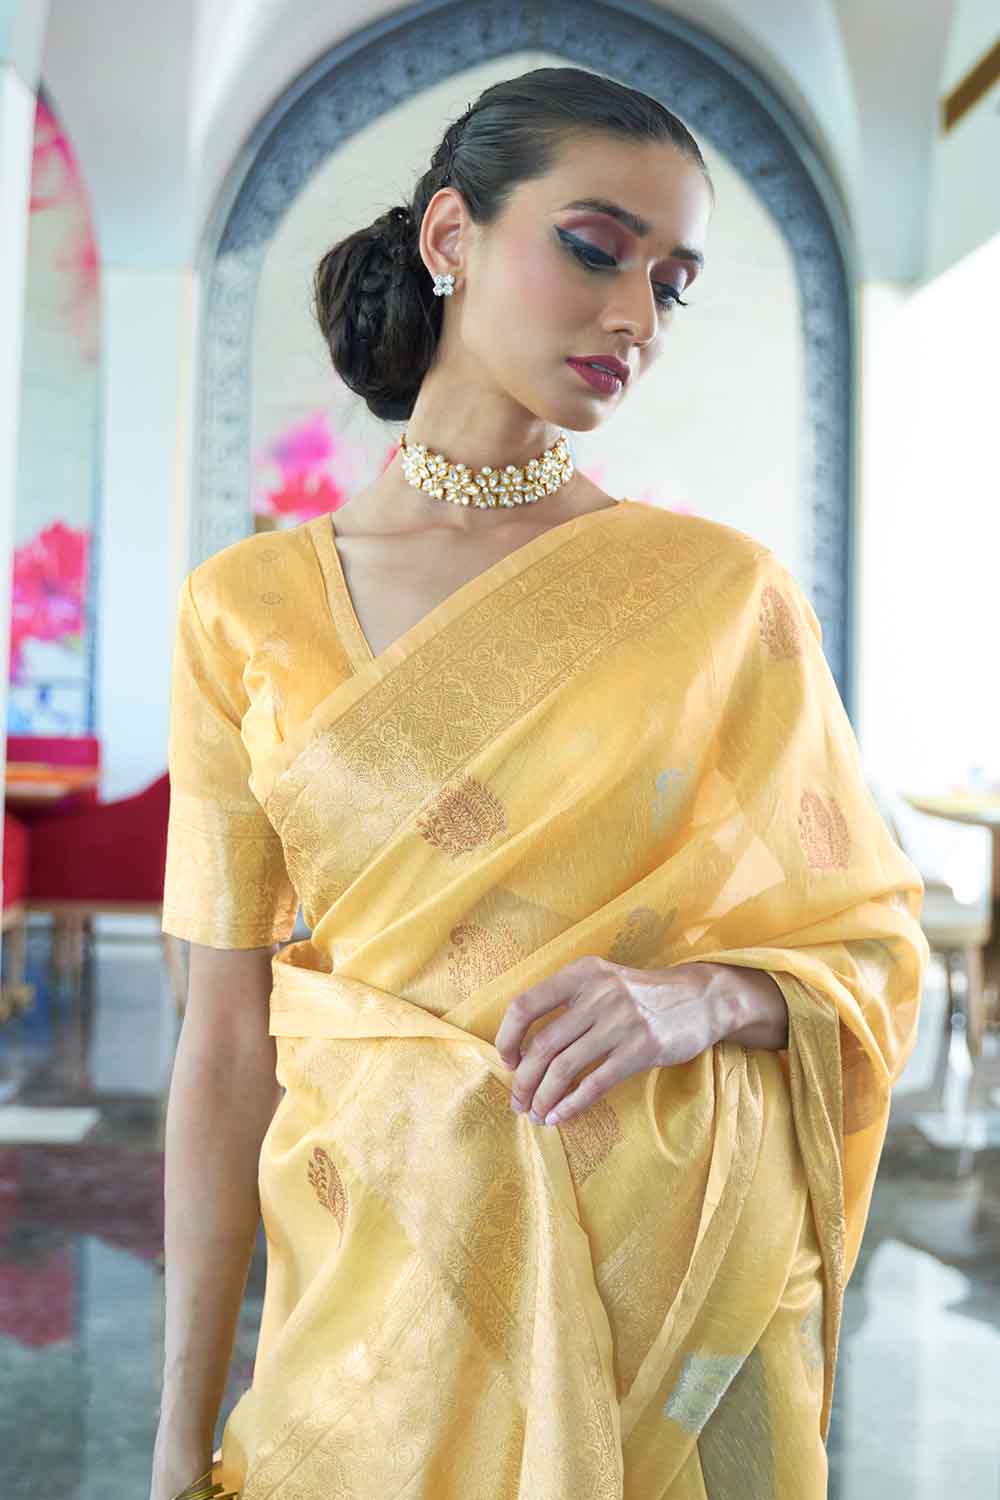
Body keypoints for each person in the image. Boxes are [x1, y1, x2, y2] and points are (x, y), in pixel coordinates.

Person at [150, 65, 928, 1500]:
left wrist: (702, 996)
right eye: (594, 248)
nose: (636, 317)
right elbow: (221, 1043)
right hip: (374, 1293)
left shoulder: (720, 597)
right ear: (451, 234)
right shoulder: (244, 609)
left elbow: (872, 945)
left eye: (671, 284)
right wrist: (173, 1440)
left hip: (667, 1284)